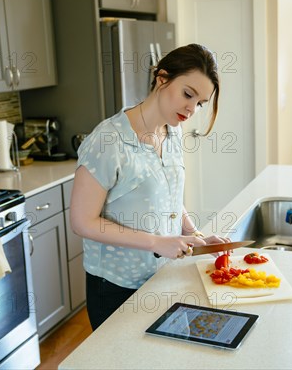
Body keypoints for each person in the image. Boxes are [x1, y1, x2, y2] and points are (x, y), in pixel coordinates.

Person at [70, 44, 228, 330]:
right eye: (188, 94)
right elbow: (82, 222)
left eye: (200, 103)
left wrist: (195, 235)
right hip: (116, 288)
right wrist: (157, 242)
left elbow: (168, 198)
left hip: (161, 278)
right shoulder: (108, 141)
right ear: (162, 78)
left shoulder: (172, 131)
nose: (192, 109)